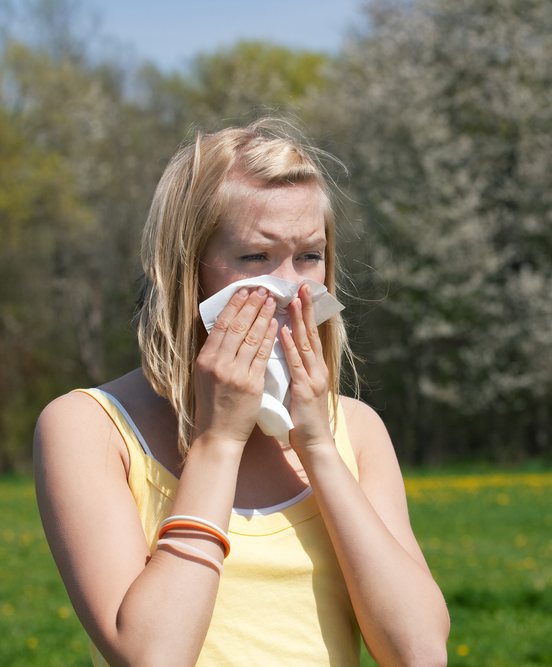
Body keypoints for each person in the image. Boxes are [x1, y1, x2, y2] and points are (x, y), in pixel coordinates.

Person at [33, 119, 450, 667]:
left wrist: (318, 449)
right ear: (186, 269)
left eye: (309, 257)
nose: (288, 288)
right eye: (255, 258)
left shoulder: (356, 429)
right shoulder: (88, 428)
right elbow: (151, 657)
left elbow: (419, 652)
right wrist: (218, 441)